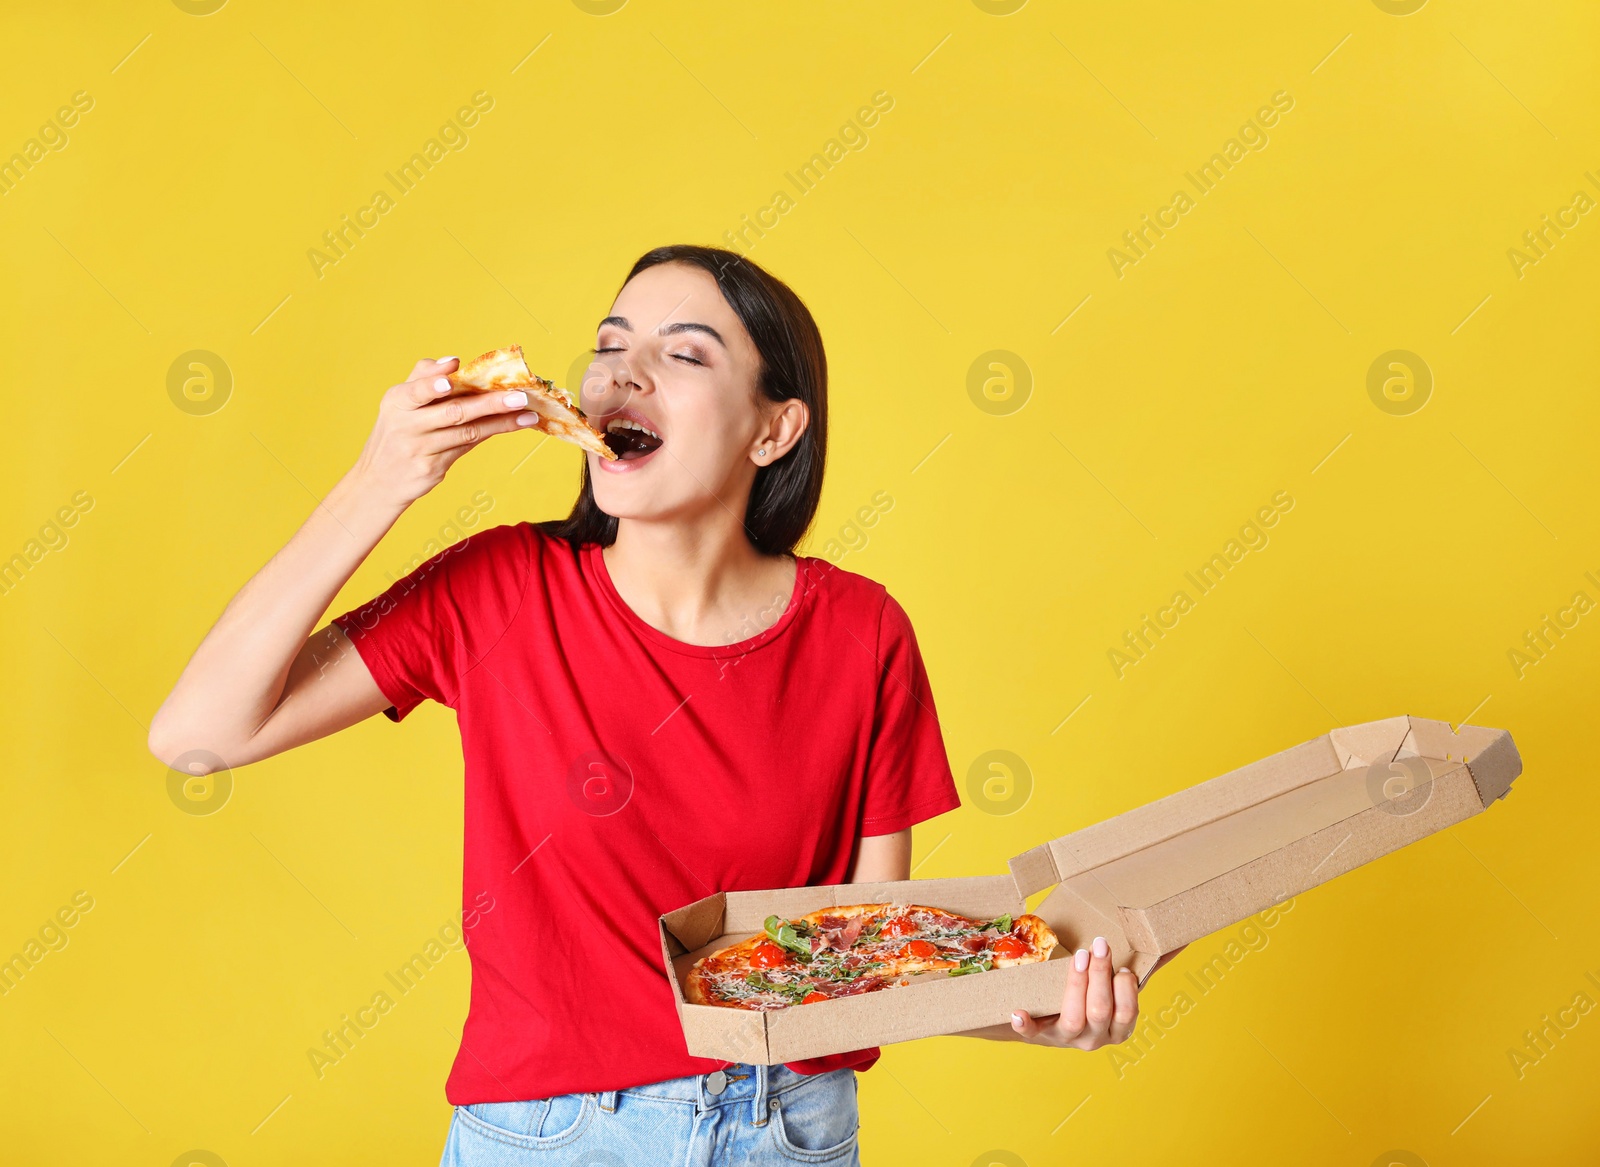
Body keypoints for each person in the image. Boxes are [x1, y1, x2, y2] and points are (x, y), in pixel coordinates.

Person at [149, 245, 1156, 1166]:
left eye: (684, 354)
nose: (620, 375)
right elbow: (198, 736)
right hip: (544, 1139)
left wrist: (1033, 1005)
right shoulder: (499, 590)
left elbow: (860, 954)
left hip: (784, 1133)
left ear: (774, 429)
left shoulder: (862, 633)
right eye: (608, 345)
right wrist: (380, 483)